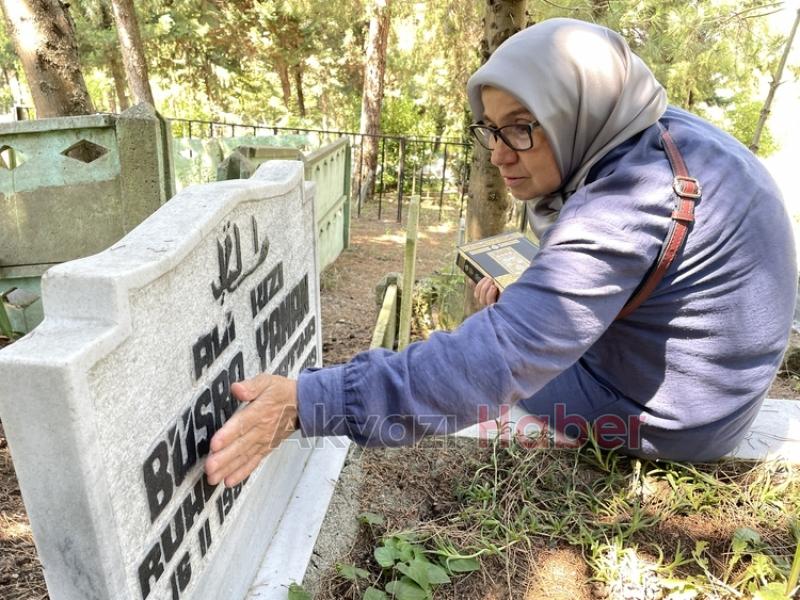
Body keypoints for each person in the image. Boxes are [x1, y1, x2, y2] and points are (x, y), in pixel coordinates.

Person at [204, 18, 796, 487]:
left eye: (521, 126)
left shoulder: (631, 200)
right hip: (715, 386)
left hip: (672, 420)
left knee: (494, 356)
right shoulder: (655, 133)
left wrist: (307, 401)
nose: (499, 153)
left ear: (575, 111)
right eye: (490, 128)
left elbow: (496, 362)